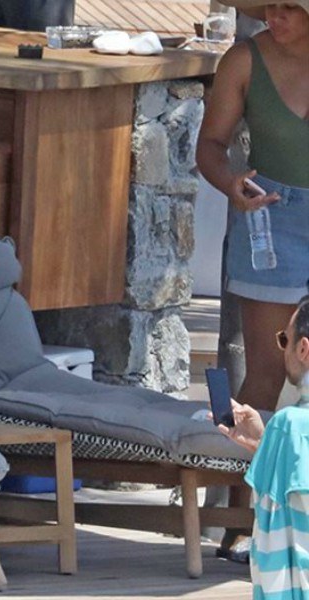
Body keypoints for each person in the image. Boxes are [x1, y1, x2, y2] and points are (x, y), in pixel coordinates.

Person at [196, 0, 309, 562]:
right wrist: (230, 184)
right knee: (267, 370)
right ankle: (243, 521)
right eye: (268, 6)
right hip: (270, 213)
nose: (273, 16)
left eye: (289, 7)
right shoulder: (244, 59)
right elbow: (209, 147)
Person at [219, 296, 309, 597]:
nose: (282, 349)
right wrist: (266, 444)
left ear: (303, 349)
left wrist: (271, 443)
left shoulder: (289, 426)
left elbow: (277, 542)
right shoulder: (286, 431)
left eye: (284, 339)